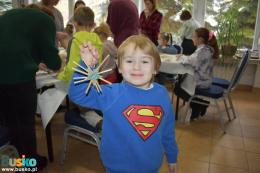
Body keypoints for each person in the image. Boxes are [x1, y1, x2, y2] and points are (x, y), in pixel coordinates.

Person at [69, 35, 178, 173]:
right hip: (117, 168)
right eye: (129, 61)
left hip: (151, 166)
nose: (136, 67)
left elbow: (167, 129)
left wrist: (172, 156)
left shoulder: (162, 94)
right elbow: (77, 94)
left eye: (144, 61)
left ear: (156, 68)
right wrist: (86, 66)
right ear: (119, 67)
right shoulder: (111, 94)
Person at [0, 6, 61, 171]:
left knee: (11, 120)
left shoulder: (10, 14)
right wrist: (55, 64)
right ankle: (30, 163)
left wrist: (33, 60)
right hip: (18, 76)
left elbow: (16, 45)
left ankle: (17, 157)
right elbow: (53, 60)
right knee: (25, 122)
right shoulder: (46, 20)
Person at [57, 6, 103, 83]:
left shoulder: (74, 40)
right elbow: (98, 67)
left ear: (75, 23)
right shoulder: (98, 41)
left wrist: (60, 77)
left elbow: (71, 69)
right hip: (92, 83)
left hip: (75, 85)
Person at [180, 27, 216, 120]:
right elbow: (192, 59)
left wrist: (181, 58)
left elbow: (190, 61)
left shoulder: (202, 52)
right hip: (205, 78)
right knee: (182, 82)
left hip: (202, 81)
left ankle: (197, 107)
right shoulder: (205, 49)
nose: (192, 38)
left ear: (200, 39)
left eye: (194, 36)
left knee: (179, 87)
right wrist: (185, 58)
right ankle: (199, 104)